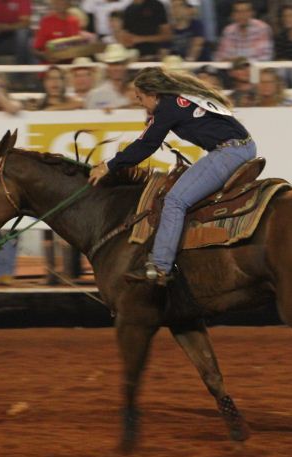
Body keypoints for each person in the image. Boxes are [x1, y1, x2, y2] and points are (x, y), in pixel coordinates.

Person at [88, 66, 257, 285]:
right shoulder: (180, 99)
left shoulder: (167, 108)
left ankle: (160, 266)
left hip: (228, 152)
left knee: (175, 201)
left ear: (153, 94)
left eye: (140, 97)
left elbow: (146, 144)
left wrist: (109, 166)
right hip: (242, 148)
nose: (139, 102)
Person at [85, 43, 136, 110]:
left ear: (126, 65)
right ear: (107, 67)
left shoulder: (139, 91)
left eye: (119, 64)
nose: (116, 68)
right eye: (112, 64)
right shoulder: (96, 94)